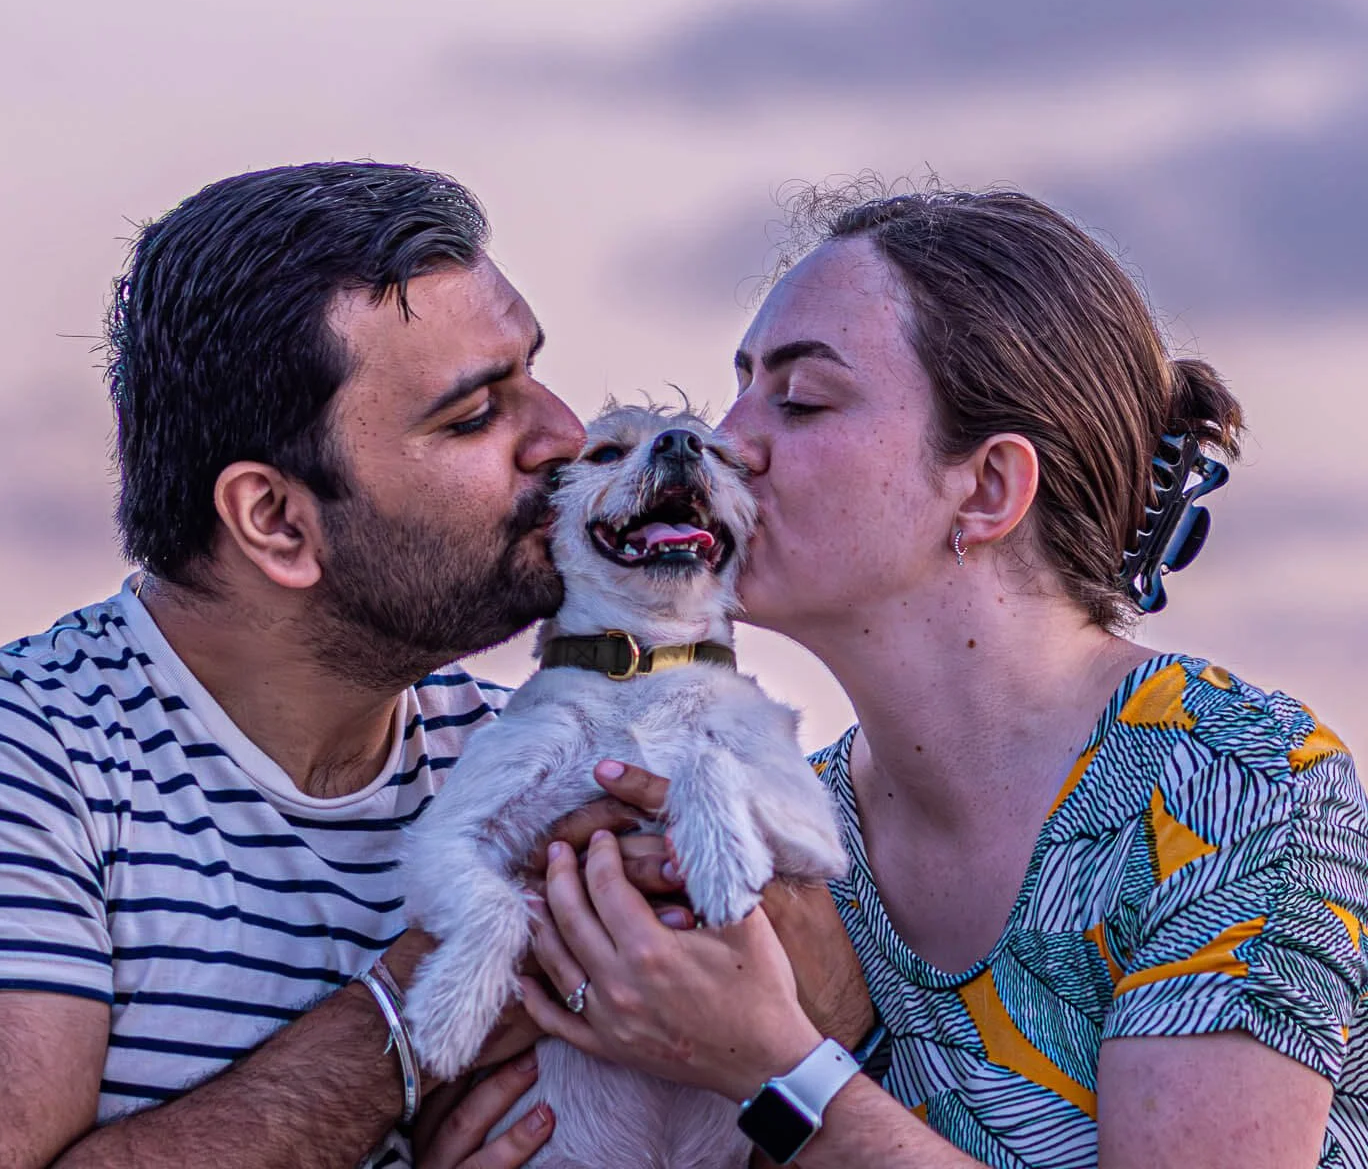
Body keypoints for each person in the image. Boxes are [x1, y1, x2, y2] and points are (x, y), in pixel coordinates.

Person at [521, 186, 1368, 1168]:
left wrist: (775, 1070)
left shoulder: (1236, 780)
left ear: (988, 488)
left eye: (797, 399)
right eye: (741, 386)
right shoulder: (791, 831)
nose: (726, 440)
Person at [0, 161, 697, 1169]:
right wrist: (434, 987)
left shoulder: (526, 756)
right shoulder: (16, 757)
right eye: (475, 413)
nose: (565, 436)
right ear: (275, 519)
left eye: (530, 368)